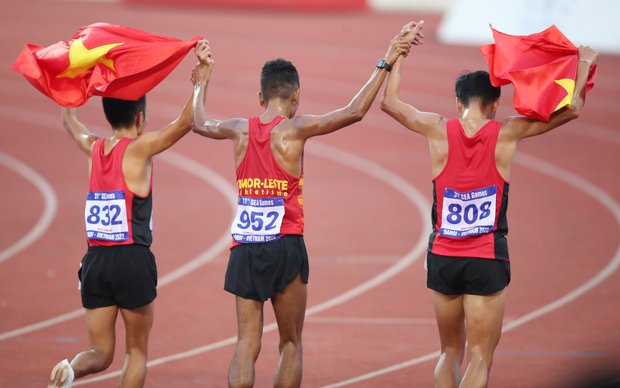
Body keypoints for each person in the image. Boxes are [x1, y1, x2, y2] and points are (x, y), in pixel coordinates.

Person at [191, 22, 424, 388]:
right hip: (285, 244)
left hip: (246, 248)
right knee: (290, 343)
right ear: (295, 97)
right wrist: (388, 59)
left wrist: (202, 78)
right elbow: (353, 111)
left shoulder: (238, 128)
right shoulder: (295, 130)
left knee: (246, 342)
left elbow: (199, 122)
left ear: (260, 97)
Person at [380, 44, 598, 387]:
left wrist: (398, 54)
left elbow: (389, 103)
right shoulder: (507, 132)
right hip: (485, 258)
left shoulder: (437, 128)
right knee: (480, 355)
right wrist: (583, 63)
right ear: (495, 104)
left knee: (449, 352)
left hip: (444, 256)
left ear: (457, 102)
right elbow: (570, 109)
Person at [47, 41, 215, 388]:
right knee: (135, 353)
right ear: (139, 117)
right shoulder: (139, 149)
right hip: (131, 259)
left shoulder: (93, 147)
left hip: (94, 262)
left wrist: (68, 87)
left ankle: (71, 371)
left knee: (100, 352)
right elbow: (186, 123)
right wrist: (202, 78)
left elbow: (70, 122)